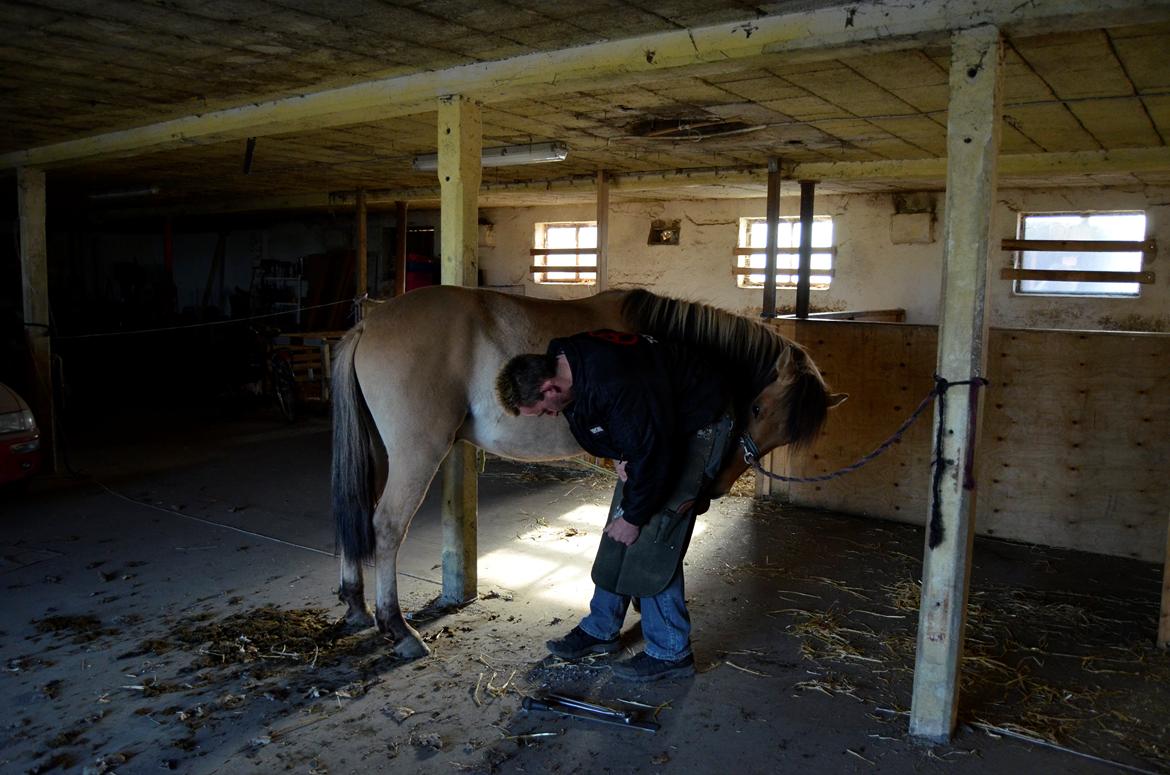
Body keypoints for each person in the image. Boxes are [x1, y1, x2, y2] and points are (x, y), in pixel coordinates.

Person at [496, 329, 732, 682]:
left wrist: (636, 516)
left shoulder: (616, 383)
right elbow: (617, 424)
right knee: (619, 528)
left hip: (697, 421)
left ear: (550, 388)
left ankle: (671, 651)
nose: (549, 415)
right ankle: (600, 628)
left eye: (544, 410)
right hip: (654, 421)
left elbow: (656, 452)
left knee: (653, 536)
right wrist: (620, 454)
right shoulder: (563, 358)